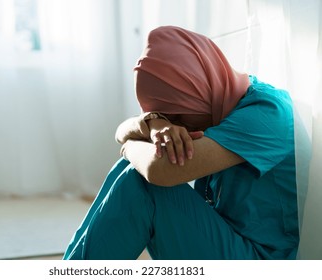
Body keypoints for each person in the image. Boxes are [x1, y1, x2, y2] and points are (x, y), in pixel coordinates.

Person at [62, 26, 298, 260]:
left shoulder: (266, 114)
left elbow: (159, 171)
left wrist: (129, 146)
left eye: (177, 117)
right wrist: (153, 124)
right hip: (227, 240)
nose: (177, 129)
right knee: (127, 169)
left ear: (198, 92)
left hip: (258, 260)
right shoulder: (223, 99)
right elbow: (122, 130)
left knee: (142, 181)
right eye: (167, 119)